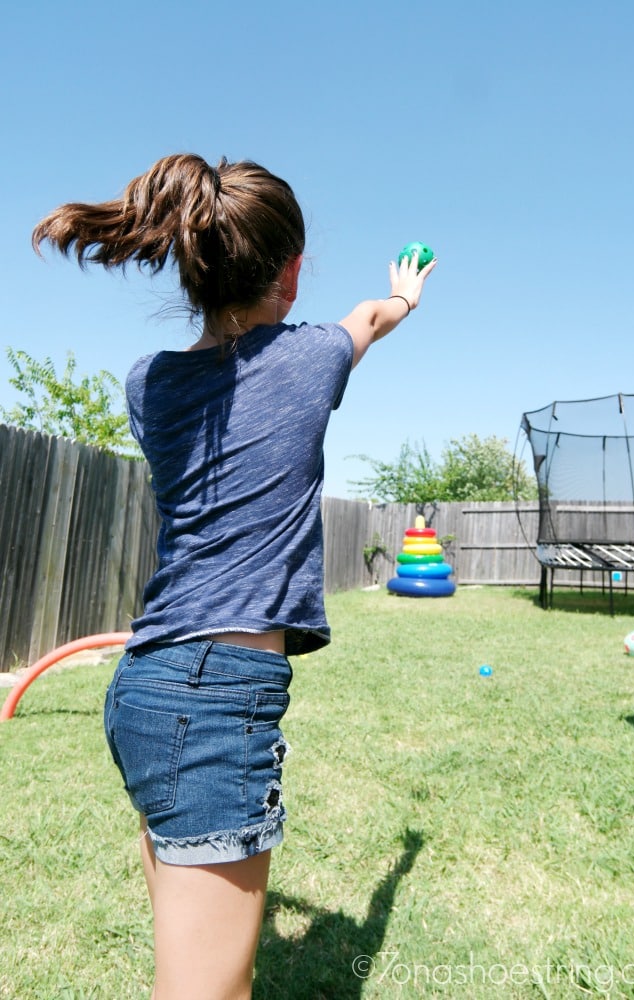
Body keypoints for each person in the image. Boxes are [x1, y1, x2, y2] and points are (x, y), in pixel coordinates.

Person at [32, 153, 436, 1000]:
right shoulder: (314, 358)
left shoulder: (150, 386)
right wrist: (405, 296)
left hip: (143, 687)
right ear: (290, 276)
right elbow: (368, 316)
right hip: (214, 704)